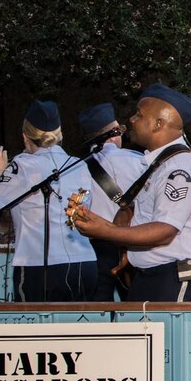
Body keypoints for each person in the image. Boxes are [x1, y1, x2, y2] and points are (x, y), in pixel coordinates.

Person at [65, 85, 191, 301]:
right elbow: (142, 211)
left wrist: (104, 230)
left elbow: (164, 231)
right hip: (151, 276)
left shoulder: (179, 169)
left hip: (173, 278)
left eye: (139, 114)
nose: (131, 120)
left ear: (158, 124)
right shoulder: (157, 164)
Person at [0, 99, 98, 301]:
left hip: (39, 266)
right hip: (84, 263)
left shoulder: (22, 165)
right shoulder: (78, 165)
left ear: (25, 137)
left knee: (35, 331)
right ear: (59, 134)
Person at [75, 102, 148, 302]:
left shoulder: (78, 167)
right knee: (136, 307)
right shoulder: (139, 160)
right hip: (133, 242)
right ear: (115, 133)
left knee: (99, 308)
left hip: (96, 246)